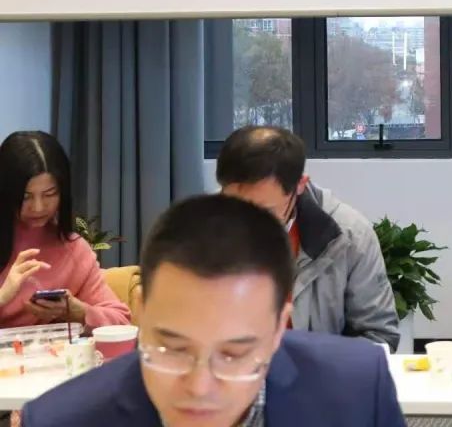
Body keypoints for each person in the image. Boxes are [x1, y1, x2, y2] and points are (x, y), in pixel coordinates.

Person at [20, 193, 407, 427]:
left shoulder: (355, 389)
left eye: (234, 355)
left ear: (278, 328)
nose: (199, 387)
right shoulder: (63, 420)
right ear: (141, 311)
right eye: (173, 349)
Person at [216, 126, 399, 350]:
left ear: (299, 186)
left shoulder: (349, 236)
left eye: (264, 211)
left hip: (321, 368)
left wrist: (321, 364)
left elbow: (378, 335)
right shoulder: (198, 231)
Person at [0, 131, 130, 330]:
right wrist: (3, 296)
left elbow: (121, 321)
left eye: (49, 194)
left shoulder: (73, 249)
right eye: (26, 197)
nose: (38, 207)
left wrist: (79, 311)